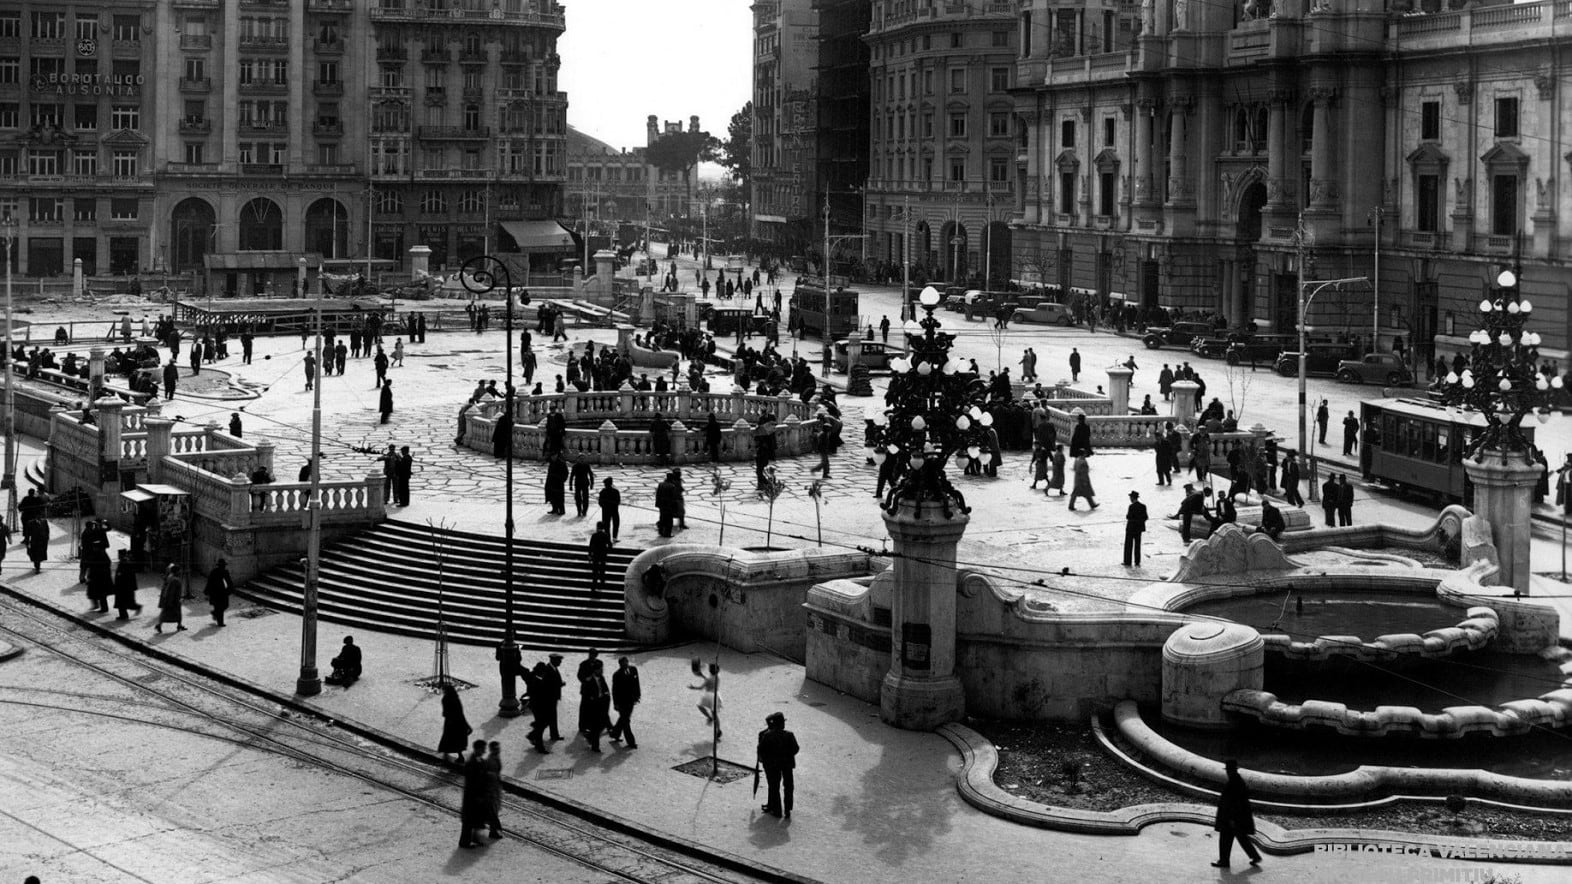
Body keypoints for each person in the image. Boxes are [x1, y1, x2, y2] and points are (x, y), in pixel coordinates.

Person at [1212, 759, 1263, 868]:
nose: (1227, 772)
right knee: (1241, 837)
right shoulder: (1237, 780)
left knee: (1226, 838)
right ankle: (1255, 856)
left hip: (1232, 818)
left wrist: (1232, 819)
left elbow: (1235, 803)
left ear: (1230, 770)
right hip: (1237, 817)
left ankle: (1224, 861)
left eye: (1228, 770)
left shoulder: (1234, 782)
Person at [756, 711, 800, 819]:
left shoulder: (767, 735)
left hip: (773, 765)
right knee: (788, 787)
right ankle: (787, 809)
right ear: (782, 724)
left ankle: (777, 810)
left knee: (774, 786)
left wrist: (768, 759)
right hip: (787, 765)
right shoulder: (789, 735)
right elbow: (796, 748)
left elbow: (761, 749)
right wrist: (788, 755)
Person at [458, 739, 489, 848]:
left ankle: (474, 838)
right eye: (483, 749)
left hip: (478, 795)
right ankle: (464, 842)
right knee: (468, 820)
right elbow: (472, 782)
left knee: (476, 818)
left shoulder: (480, 761)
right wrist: (478, 796)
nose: (484, 751)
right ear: (477, 749)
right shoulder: (471, 763)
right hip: (472, 796)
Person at [579, 658, 611, 752]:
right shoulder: (588, 681)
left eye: (602, 669)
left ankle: (590, 736)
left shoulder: (602, 678)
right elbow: (586, 695)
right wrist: (592, 699)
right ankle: (595, 747)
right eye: (600, 669)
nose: (602, 671)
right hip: (593, 707)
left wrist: (606, 694)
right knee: (596, 726)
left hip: (602, 704)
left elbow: (605, 689)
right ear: (595, 670)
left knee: (602, 725)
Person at [609, 656, 640, 749]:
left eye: (626, 662)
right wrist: (615, 703)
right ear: (620, 664)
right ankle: (631, 742)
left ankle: (615, 733)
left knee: (623, 719)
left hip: (631, 700)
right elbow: (614, 690)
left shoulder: (633, 669)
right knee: (626, 721)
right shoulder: (617, 675)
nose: (625, 664)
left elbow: (636, 683)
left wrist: (637, 695)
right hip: (622, 702)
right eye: (623, 663)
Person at [438, 684, 472, 765]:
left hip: (450, 722)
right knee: (457, 741)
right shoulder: (456, 699)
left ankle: (445, 756)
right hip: (458, 722)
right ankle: (460, 756)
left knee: (447, 738)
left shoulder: (445, 699)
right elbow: (461, 713)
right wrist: (467, 725)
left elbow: (445, 713)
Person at [537, 653, 566, 741]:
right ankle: (535, 735)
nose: (560, 662)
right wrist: (560, 684)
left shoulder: (553, 668)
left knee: (552, 717)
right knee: (548, 718)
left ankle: (554, 735)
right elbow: (547, 685)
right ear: (553, 660)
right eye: (559, 660)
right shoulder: (548, 670)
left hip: (552, 698)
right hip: (549, 698)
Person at [691, 661, 722, 738]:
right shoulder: (718, 676)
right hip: (716, 695)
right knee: (715, 714)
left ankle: (709, 717)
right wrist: (702, 675)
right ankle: (718, 730)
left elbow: (701, 687)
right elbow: (709, 680)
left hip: (709, 695)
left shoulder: (709, 678)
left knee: (700, 706)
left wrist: (693, 687)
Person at [483, 741, 504, 840]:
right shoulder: (490, 760)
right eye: (495, 748)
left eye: (498, 748)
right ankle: (494, 830)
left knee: (493, 810)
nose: (498, 750)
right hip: (491, 790)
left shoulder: (495, 758)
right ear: (491, 750)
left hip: (495, 788)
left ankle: (494, 830)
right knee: (492, 811)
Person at [155, 564, 186, 633]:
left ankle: (179, 625)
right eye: (179, 571)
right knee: (169, 613)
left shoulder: (170, 577)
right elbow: (171, 591)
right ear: (177, 571)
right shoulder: (175, 580)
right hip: (174, 599)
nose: (180, 572)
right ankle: (159, 625)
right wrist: (171, 601)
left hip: (171, 599)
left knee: (168, 613)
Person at [112, 550, 141, 620]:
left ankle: (124, 615)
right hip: (123, 586)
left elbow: (125, 575)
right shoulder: (123, 562)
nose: (118, 556)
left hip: (124, 586)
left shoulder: (125, 563)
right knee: (125, 602)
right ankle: (124, 615)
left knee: (123, 601)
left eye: (120, 555)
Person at [204, 558, 233, 627]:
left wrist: (230, 589)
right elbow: (210, 582)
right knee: (220, 607)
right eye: (222, 565)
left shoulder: (224, 571)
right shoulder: (214, 571)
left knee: (224, 605)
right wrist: (207, 591)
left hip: (220, 591)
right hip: (216, 591)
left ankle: (215, 613)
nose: (223, 566)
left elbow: (228, 581)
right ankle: (220, 622)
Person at [1123, 491, 1147, 567]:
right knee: (1137, 545)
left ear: (1132, 498)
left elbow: (1128, 516)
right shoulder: (1143, 506)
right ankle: (1137, 561)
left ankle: (1127, 561)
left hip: (1130, 528)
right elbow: (1146, 517)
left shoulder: (1131, 506)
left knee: (1128, 545)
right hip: (1139, 528)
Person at [588, 521, 611, 589]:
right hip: (603, 555)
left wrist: (589, 555)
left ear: (597, 527)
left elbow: (591, 546)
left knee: (595, 570)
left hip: (596, 554)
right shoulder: (605, 535)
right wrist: (607, 550)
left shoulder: (594, 535)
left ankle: (594, 584)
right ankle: (602, 582)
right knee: (602, 569)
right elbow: (610, 545)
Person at [544, 451, 568, 516]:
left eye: (554, 456)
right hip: (551, 483)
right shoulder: (551, 463)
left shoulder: (562, 463)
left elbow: (566, 473)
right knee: (552, 497)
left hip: (558, 483)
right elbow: (549, 474)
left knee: (560, 497)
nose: (552, 457)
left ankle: (562, 510)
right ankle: (554, 509)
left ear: (557, 455)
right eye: (551, 456)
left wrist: (562, 480)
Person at [598, 477, 621, 542]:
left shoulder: (603, 492)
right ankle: (614, 537)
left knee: (606, 525)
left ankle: (608, 538)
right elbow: (618, 502)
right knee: (615, 524)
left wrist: (605, 505)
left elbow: (600, 503)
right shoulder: (616, 491)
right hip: (614, 510)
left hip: (606, 511)